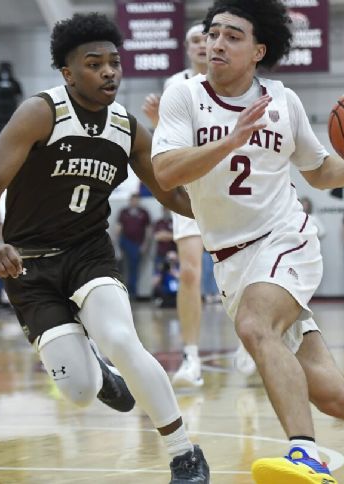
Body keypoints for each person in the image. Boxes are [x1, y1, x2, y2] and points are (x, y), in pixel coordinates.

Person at [151, 1, 344, 482]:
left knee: (257, 327)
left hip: (284, 240)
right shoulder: (184, 97)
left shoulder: (283, 102)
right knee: (331, 393)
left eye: (233, 36)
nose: (217, 43)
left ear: (259, 50)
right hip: (231, 261)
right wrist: (231, 140)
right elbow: (167, 170)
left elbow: (320, 172)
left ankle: (305, 454)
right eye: (214, 33)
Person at [0, 13, 209, 482]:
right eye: (94, 64)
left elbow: (171, 196)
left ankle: (184, 453)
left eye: (114, 63)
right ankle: (96, 373)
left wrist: (227, 215)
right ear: (67, 72)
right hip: (28, 268)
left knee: (121, 338)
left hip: (88, 256)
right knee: (78, 392)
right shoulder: (42, 112)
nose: (108, 73)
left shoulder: (128, 127)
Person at [142, 22, 209, 389]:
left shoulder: (230, 80)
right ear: (187, 48)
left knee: (241, 277)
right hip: (190, 191)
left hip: (229, 189)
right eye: (195, 40)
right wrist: (157, 124)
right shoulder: (175, 85)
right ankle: (191, 356)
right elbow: (167, 144)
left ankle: (252, 345)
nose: (202, 45)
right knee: (188, 274)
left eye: (207, 38)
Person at [117, 193, 150, 299]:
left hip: (137, 243)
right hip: (125, 242)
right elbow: (118, 228)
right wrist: (118, 246)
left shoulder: (144, 213)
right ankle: (120, 291)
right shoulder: (124, 212)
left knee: (134, 268)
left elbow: (148, 230)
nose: (134, 202)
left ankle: (132, 293)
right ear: (130, 201)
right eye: (133, 200)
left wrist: (145, 244)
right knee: (120, 268)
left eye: (136, 200)